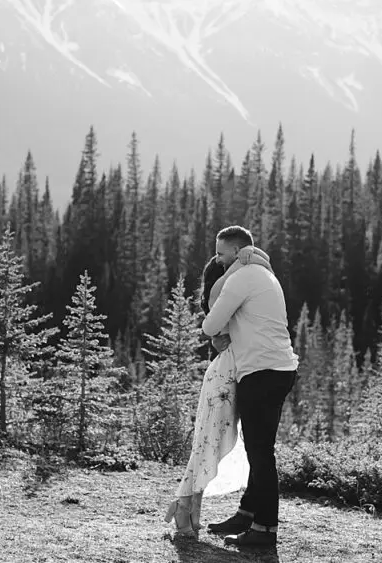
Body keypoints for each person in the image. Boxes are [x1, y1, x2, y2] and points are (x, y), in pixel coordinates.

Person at [163, 245, 274, 538]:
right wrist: (244, 262)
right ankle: (183, 507)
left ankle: (189, 511)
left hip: (231, 374)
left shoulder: (244, 288)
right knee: (208, 442)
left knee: (210, 442)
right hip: (225, 377)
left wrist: (253, 258)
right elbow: (213, 324)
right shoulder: (223, 290)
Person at [202, 225, 299, 548]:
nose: (216, 260)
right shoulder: (264, 274)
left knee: (260, 454)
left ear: (235, 252)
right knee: (259, 449)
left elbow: (211, 324)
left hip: (261, 372)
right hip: (280, 369)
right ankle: (247, 514)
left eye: (220, 253)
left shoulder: (241, 278)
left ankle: (265, 530)